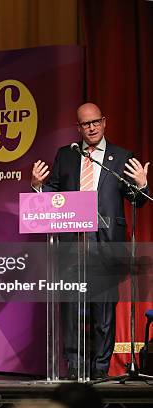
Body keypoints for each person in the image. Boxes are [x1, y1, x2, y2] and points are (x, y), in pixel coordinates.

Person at [31, 103, 149, 379]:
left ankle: (100, 371)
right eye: (86, 124)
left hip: (105, 245)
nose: (92, 127)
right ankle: (73, 368)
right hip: (72, 245)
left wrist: (142, 185)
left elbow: (137, 201)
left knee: (104, 314)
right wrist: (37, 186)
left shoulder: (121, 157)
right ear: (79, 127)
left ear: (104, 122)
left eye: (96, 122)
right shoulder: (66, 155)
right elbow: (52, 195)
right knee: (71, 311)